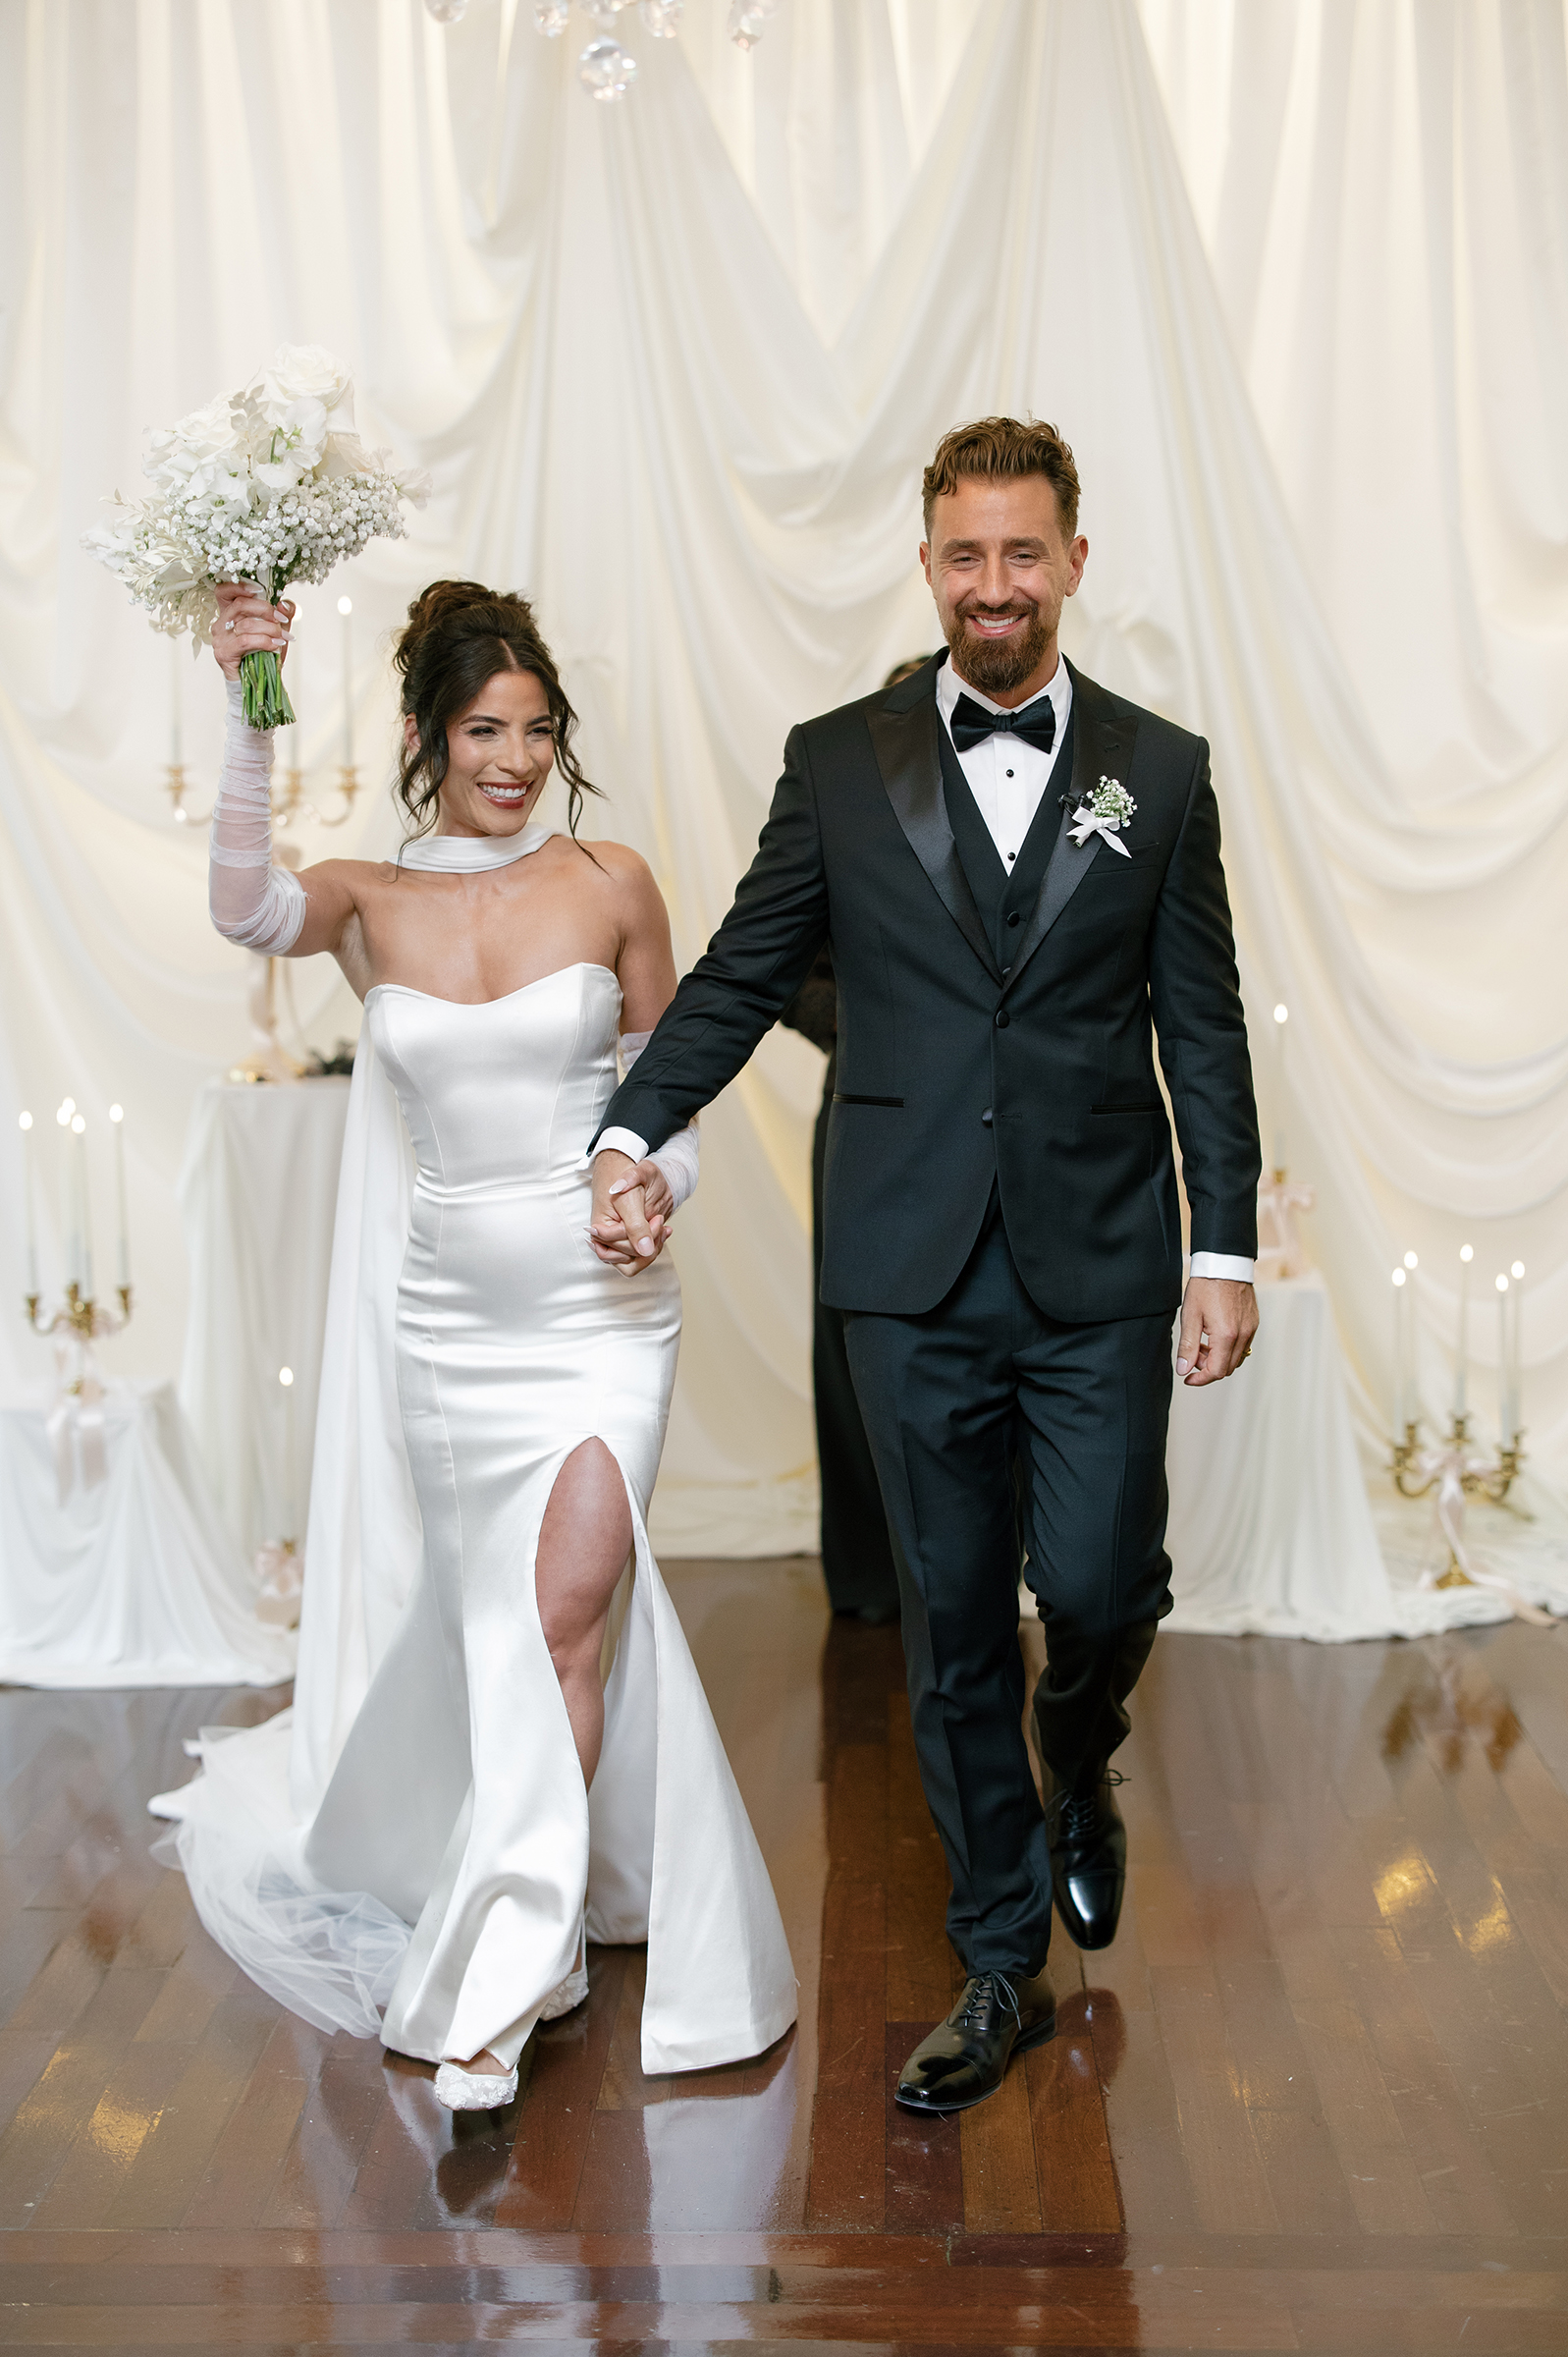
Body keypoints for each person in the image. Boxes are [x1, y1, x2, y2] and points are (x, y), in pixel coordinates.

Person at [587, 418, 1261, 2115]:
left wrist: (1224, 1245)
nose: (991, 586)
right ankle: (994, 1959)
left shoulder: (1156, 771)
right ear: (928, 563)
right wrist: (623, 1132)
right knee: (951, 1624)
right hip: (905, 1266)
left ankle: (1081, 1761)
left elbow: (1201, 1027)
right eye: (963, 555)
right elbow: (740, 975)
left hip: (1100, 1256)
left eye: (1021, 553)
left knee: (1099, 1586)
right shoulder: (837, 760)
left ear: (1074, 564)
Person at [157, 578, 795, 2111]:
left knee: (564, 1614)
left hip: (599, 1319)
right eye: (482, 730)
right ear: (428, 738)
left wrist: (650, 1178)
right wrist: (250, 698)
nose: (513, 758)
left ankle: (497, 1990)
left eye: (537, 729)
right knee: (503, 1634)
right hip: (450, 1327)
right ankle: (552, 1916)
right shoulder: (374, 898)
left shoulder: (614, 882)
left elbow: (675, 1091)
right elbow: (244, 905)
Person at [776, 660, 936, 1628]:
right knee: (851, 1356)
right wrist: (880, 1024)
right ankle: (870, 1583)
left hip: (992, 1126)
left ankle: (974, 1572)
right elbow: (784, 973)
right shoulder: (840, 825)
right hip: (865, 1122)